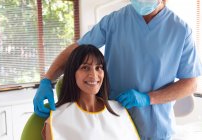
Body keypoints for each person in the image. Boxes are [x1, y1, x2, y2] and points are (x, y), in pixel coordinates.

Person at [34, 0, 202, 139]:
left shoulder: (180, 30)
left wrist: (147, 98)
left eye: (97, 68)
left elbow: (190, 84)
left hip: (154, 129)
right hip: (112, 121)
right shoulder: (115, 20)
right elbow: (78, 50)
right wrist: (47, 78)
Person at [41, 45, 140, 140]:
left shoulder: (119, 110)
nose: (94, 74)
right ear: (72, 73)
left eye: (98, 68)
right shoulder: (58, 119)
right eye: (85, 67)